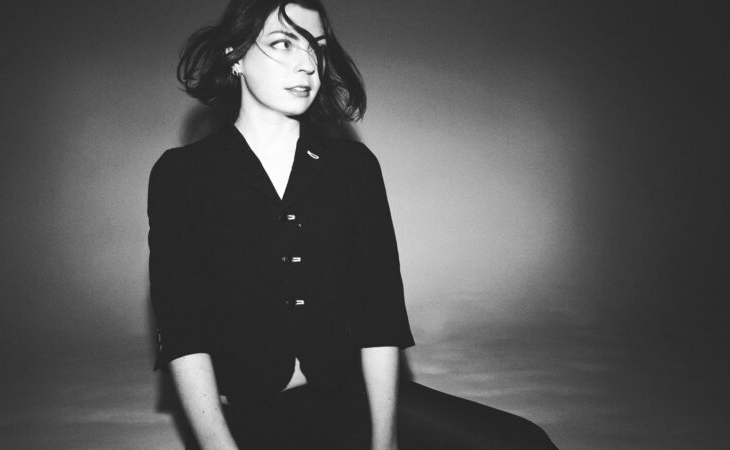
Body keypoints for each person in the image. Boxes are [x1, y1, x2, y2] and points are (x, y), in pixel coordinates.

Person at [148, 1, 558, 449]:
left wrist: (384, 442)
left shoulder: (353, 167)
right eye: (283, 43)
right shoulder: (182, 175)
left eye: (317, 47)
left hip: (350, 395)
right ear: (236, 56)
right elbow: (182, 330)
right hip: (245, 415)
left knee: (525, 443)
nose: (307, 64)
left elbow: (378, 315)